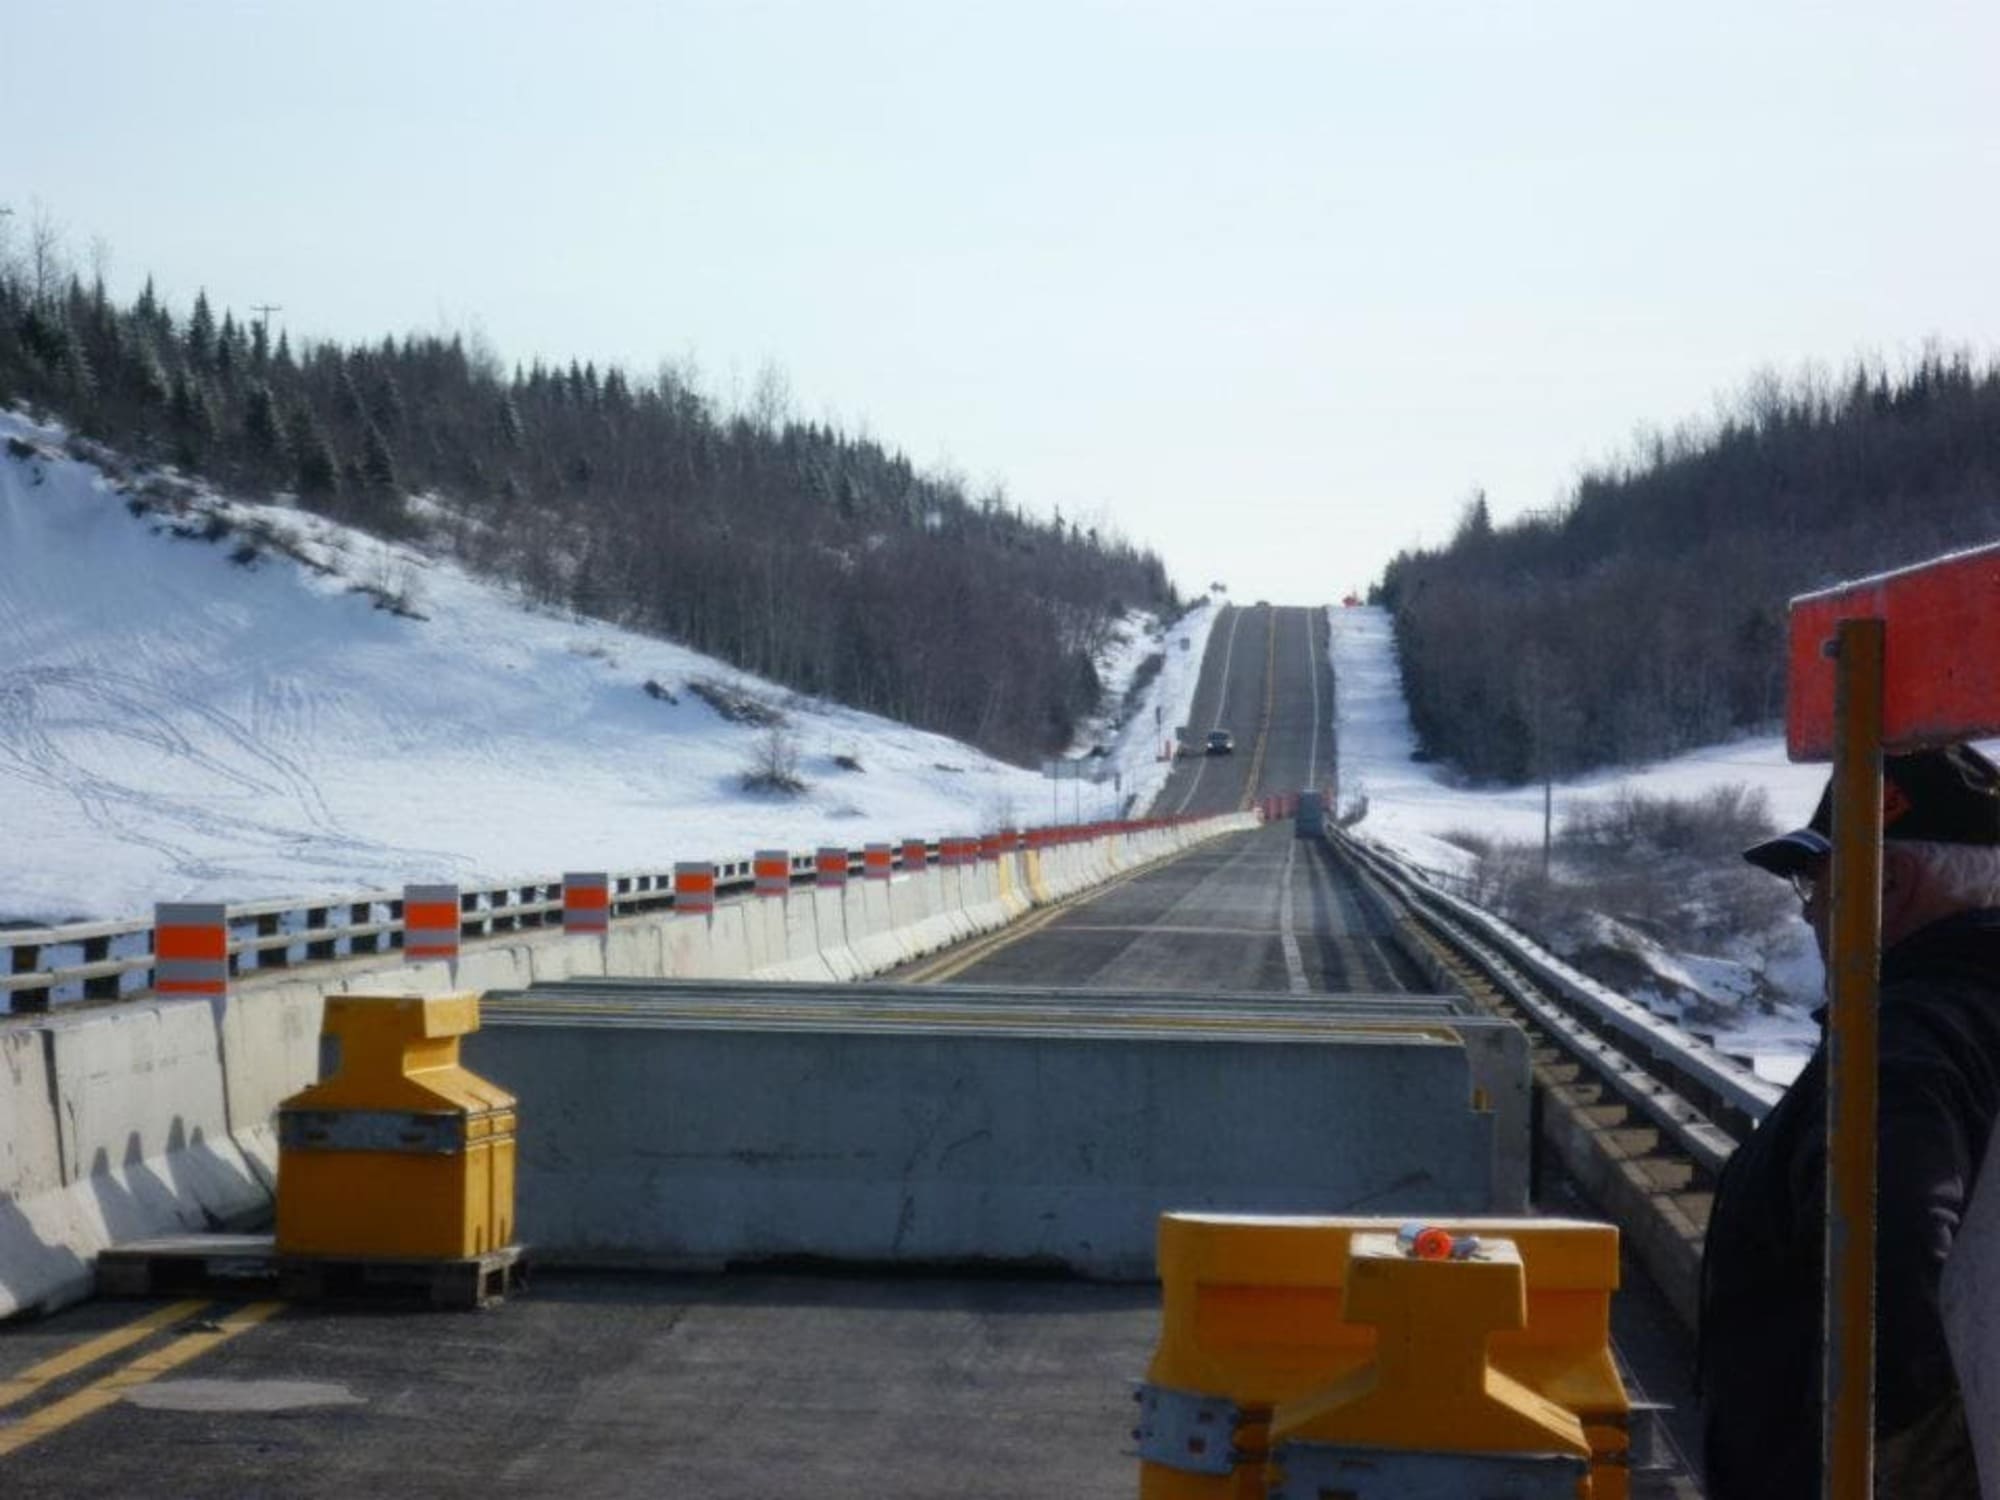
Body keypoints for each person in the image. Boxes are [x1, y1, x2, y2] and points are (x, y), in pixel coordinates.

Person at [1700, 744, 2000, 1499]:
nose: (1810, 916)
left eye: (1816, 885)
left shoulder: (1902, 1040)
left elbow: (1891, 1259)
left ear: (1887, 881)